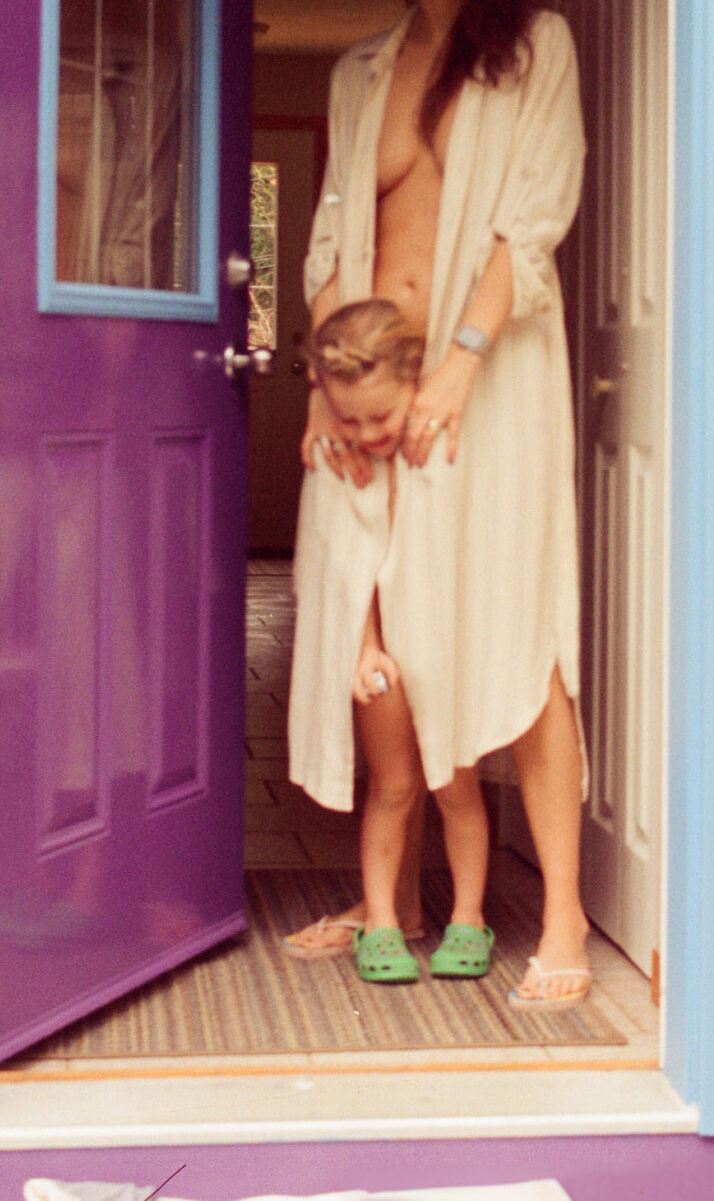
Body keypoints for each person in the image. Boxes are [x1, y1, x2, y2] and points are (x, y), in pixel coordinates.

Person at [282, 0, 591, 1009]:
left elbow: (532, 220)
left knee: (515, 630)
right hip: (366, 400)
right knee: (382, 640)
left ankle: (557, 911)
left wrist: (458, 364)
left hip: (484, 390)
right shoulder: (359, 69)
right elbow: (324, 243)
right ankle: (388, 902)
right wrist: (327, 380)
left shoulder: (532, 51)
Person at [295, 299, 497, 983]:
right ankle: (382, 920)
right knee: (394, 785)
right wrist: (363, 648)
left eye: (379, 416)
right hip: (385, 655)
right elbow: (352, 570)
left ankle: (469, 916)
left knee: (457, 784)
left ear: (416, 383)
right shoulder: (346, 460)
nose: (366, 432)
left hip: (446, 641)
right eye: (348, 418)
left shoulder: (441, 451)